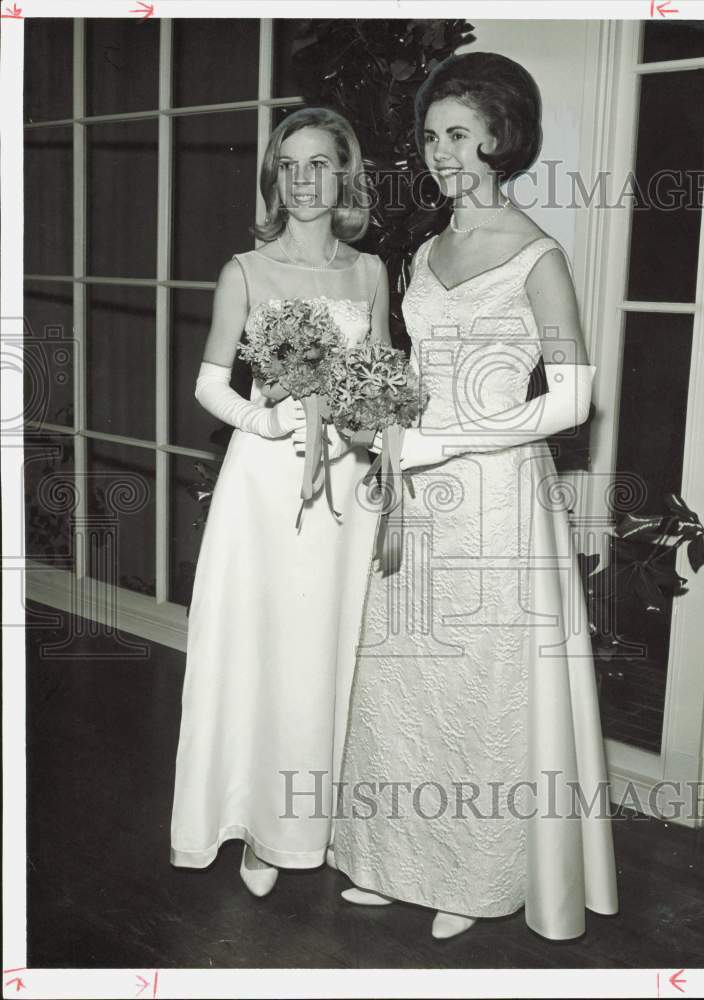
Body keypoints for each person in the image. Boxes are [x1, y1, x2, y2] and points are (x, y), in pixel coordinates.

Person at [333, 52, 619, 940]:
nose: (440, 150)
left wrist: (444, 439)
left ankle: (475, 873)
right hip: (418, 492)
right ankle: (392, 857)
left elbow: (572, 397)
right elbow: (419, 372)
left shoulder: (537, 254)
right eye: (430, 135)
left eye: (459, 133)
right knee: (405, 678)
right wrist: (383, 431)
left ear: (500, 138)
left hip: (497, 493)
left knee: (482, 688)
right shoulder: (423, 251)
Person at [170, 107, 389, 895]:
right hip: (265, 485)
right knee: (266, 652)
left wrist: (368, 440)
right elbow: (207, 381)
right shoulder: (246, 271)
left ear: (345, 175)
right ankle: (263, 829)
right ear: (274, 179)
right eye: (289, 166)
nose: (304, 180)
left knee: (331, 651)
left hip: (345, 491)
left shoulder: (370, 275)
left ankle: (325, 830)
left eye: (320, 164)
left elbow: (380, 384)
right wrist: (262, 418)